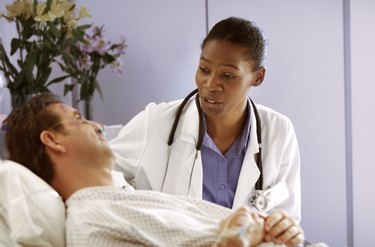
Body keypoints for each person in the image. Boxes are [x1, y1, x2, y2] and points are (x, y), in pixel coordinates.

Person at [3, 94, 305, 247]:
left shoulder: (127, 200)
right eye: (79, 119)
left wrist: (277, 226)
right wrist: (240, 234)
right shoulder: (93, 224)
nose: (98, 126)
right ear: (52, 140)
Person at [109, 16, 301, 221]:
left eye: (227, 76)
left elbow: (287, 219)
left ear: (257, 77)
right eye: (204, 69)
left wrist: (282, 228)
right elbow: (98, 175)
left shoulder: (279, 131)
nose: (210, 84)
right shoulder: (156, 122)